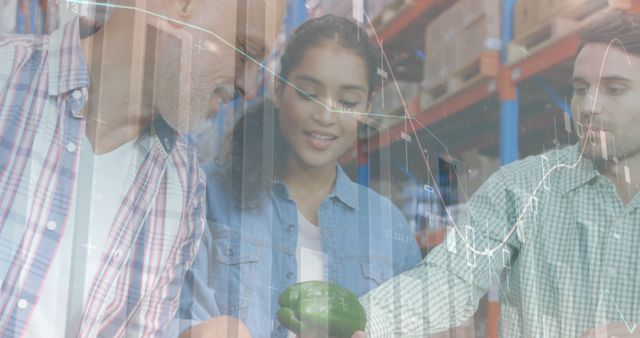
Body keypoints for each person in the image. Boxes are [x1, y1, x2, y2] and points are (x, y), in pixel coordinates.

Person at [344, 9, 640, 337]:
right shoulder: (521, 189)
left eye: (614, 89)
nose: (587, 106)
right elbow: (450, 277)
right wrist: (364, 323)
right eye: (581, 89)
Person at [0, 0, 284, 336]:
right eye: (245, 53)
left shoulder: (183, 184)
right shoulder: (7, 78)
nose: (250, 88)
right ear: (181, 5)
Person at [178, 15, 422, 338]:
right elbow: (164, 318)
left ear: (366, 109)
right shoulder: (208, 195)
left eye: (347, 102)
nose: (325, 116)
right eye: (308, 94)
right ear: (279, 91)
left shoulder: (388, 229)